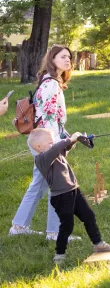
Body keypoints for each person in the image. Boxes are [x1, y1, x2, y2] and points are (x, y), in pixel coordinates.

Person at [9, 45, 73, 240]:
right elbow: (49, 118)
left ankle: (18, 227)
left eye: (69, 57)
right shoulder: (51, 83)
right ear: (52, 59)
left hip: (42, 139)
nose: (68, 60)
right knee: (58, 185)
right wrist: (61, 142)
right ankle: (54, 232)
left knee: (39, 185)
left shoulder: (48, 81)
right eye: (62, 57)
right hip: (47, 141)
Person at [29, 128, 110, 264]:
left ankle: (98, 243)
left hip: (74, 190)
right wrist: (70, 138)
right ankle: (60, 254)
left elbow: (64, 148)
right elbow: (58, 147)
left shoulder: (55, 152)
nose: (53, 144)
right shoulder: (41, 159)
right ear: (39, 147)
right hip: (61, 197)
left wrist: (76, 140)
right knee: (67, 226)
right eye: (50, 143)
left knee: (89, 216)